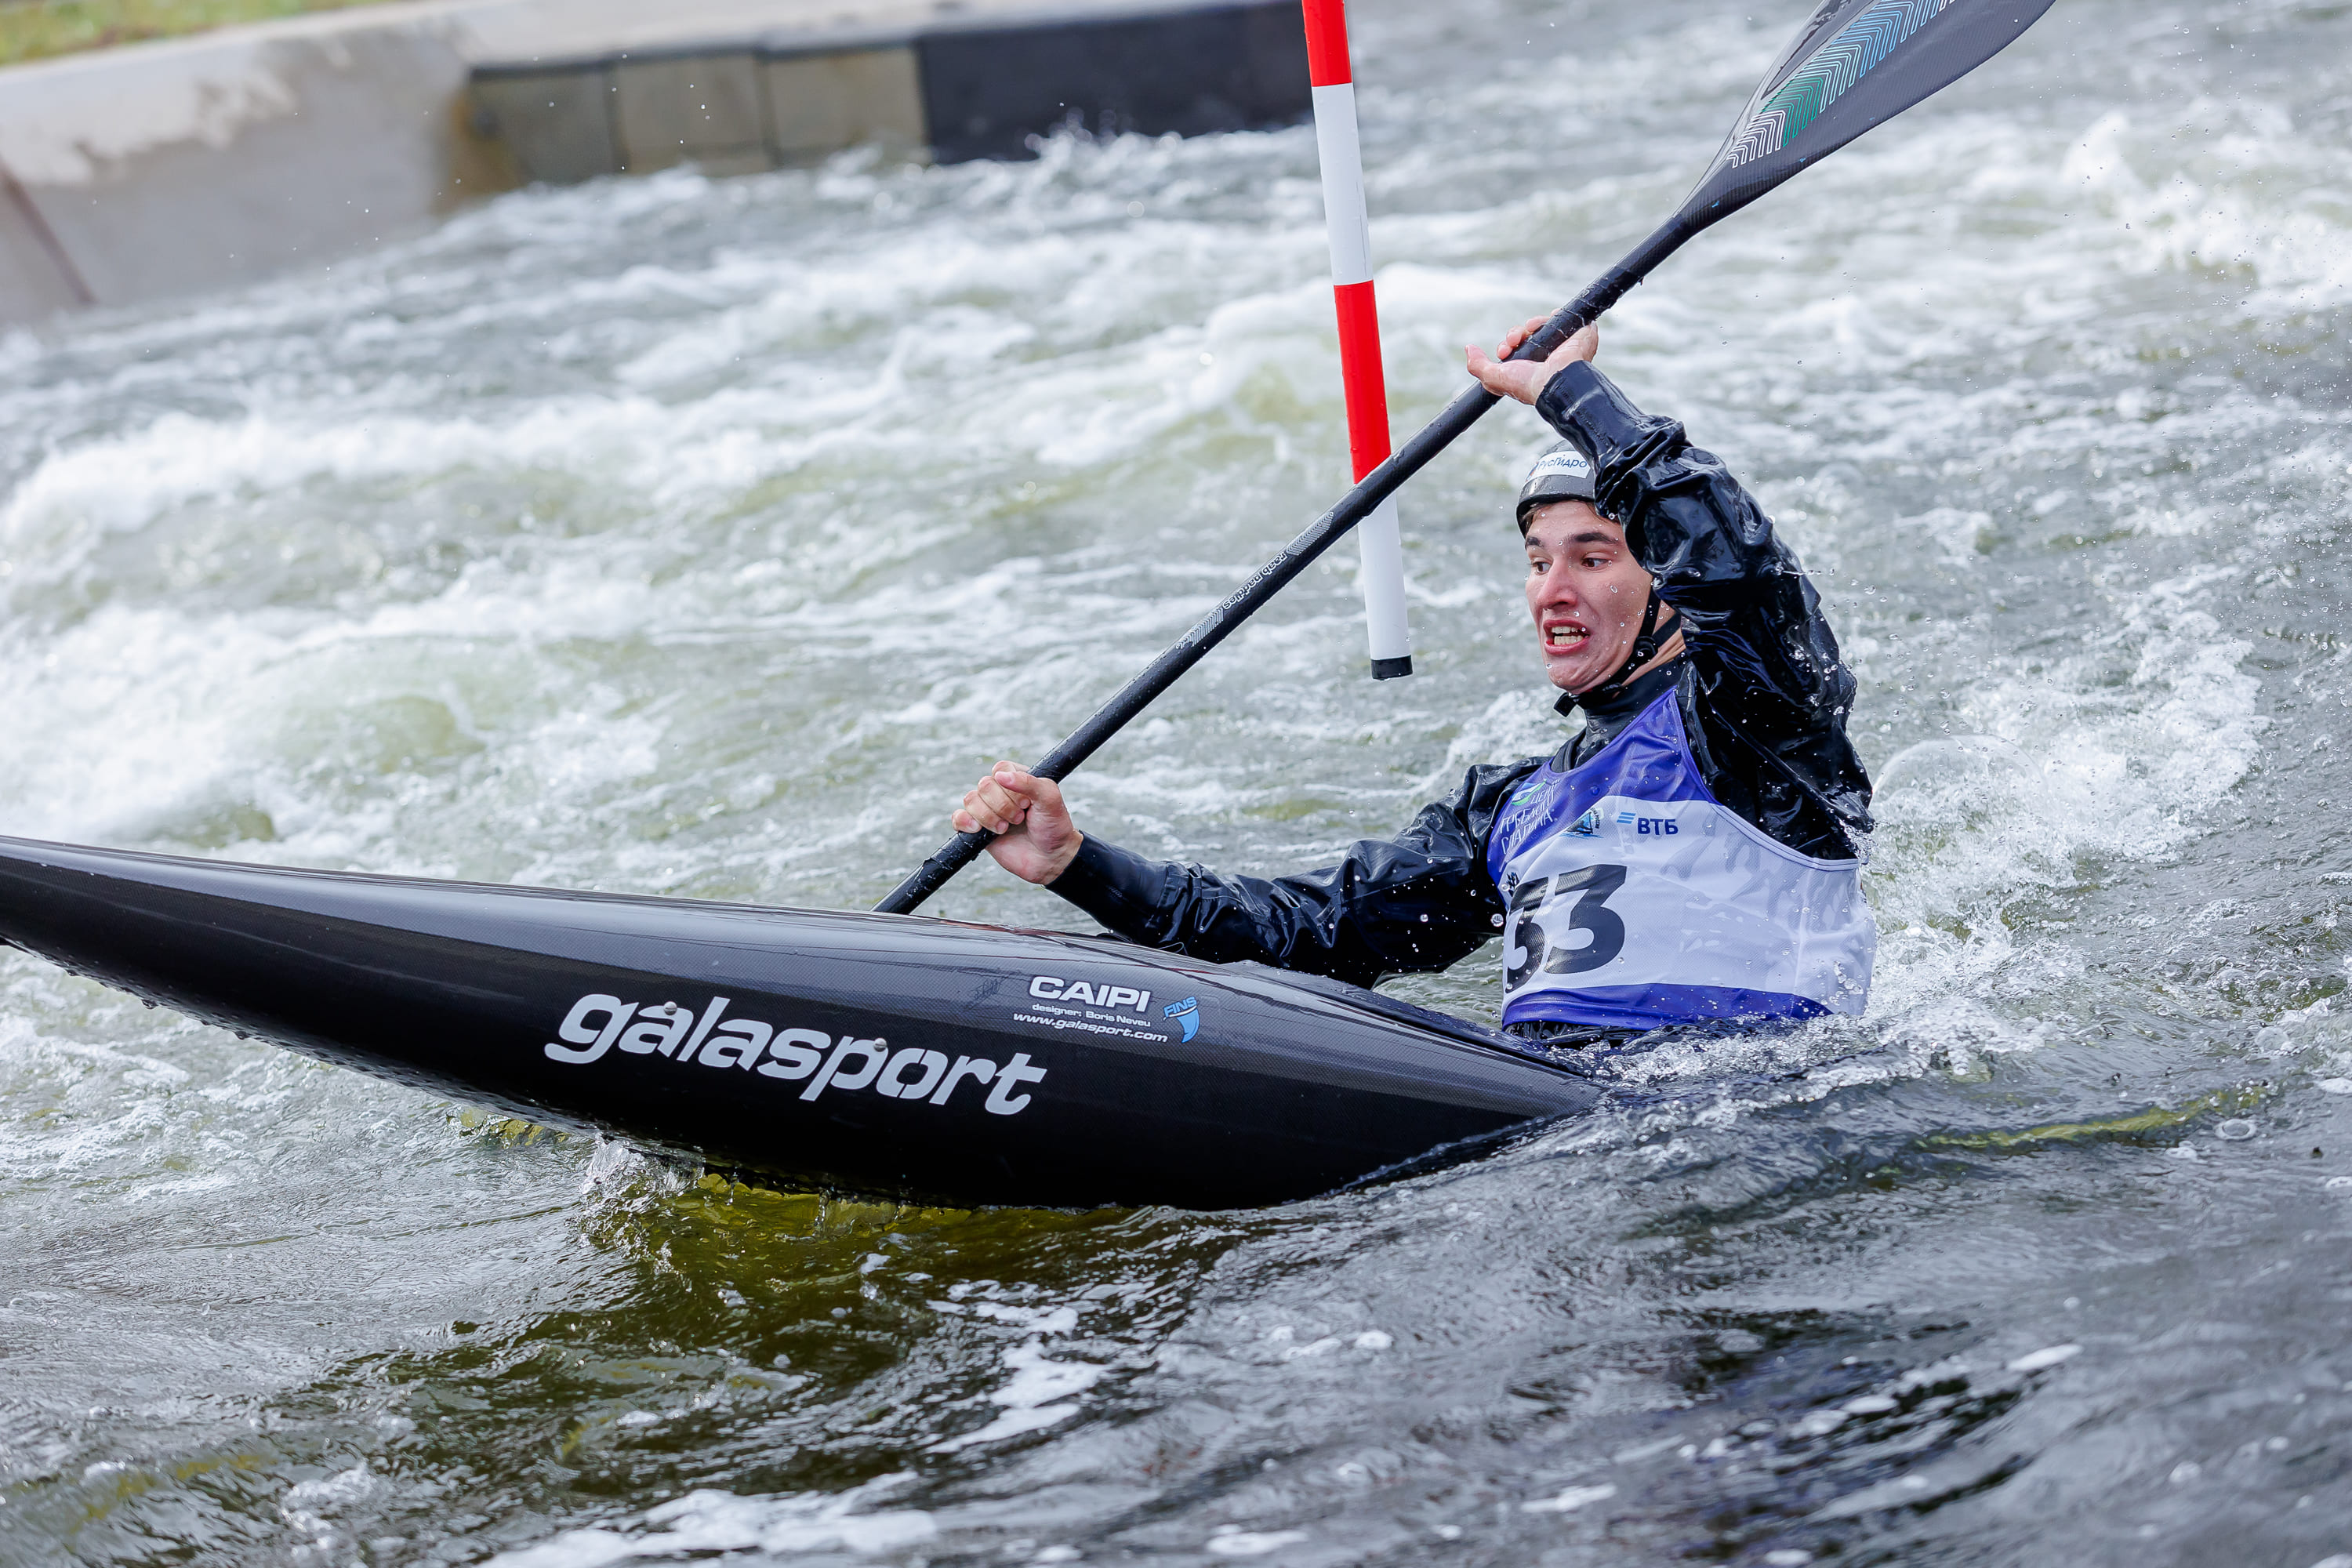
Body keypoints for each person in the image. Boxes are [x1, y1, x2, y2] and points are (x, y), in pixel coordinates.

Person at [950, 317, 1876, 1044]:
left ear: (1668, 585)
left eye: (1592, 558)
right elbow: (1309, 932)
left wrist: (1574, 396)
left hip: (1745, 1106)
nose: (1551, 589)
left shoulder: (1759, 730)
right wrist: (1077, 863)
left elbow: (1740, 570)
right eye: (1538, 560)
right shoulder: (1512, 807)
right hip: (1562, 1116)